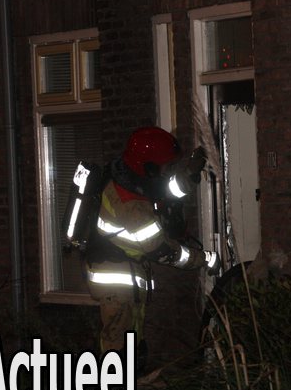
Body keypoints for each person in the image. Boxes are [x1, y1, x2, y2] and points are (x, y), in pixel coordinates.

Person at [84, 126, 219, 358]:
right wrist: (205, 259)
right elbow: (164, 251)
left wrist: (189, 173)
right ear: (149, 167)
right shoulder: (132, 207)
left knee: (133, 347)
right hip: (117, 287)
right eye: (166, 167)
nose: (168, 171)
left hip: (127, 278)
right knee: (118, 352)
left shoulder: (129, 178)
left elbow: (166, 190)